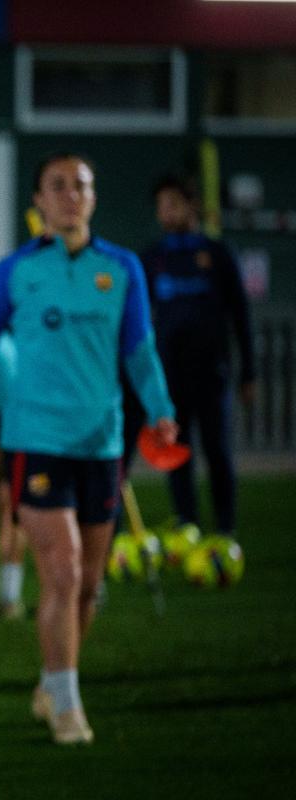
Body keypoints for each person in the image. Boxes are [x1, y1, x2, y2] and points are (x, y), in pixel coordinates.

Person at [0, 153, 177, 745]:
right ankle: (68, 707)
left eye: (81, 185)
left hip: (102, 444)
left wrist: (162, 412)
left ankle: (53, 681)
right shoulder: (15, 272)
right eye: (59, 186)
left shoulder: (121, 268)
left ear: (94, 197)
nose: (71, 195)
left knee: (86, 586)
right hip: (36, 442)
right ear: (39, 202)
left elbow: (139, 351)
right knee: (62, 569)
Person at [139, 173, 255, 540]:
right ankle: (187, 525)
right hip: (170, 375)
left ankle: (225, 528)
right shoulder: (153, 258)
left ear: (191, 206)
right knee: (176, 452)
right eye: (160, 207)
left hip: (212, 372)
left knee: (218, 451)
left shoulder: (219, 254)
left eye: (172, 204)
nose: (165, 212)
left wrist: (248, 372)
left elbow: (241, 314)